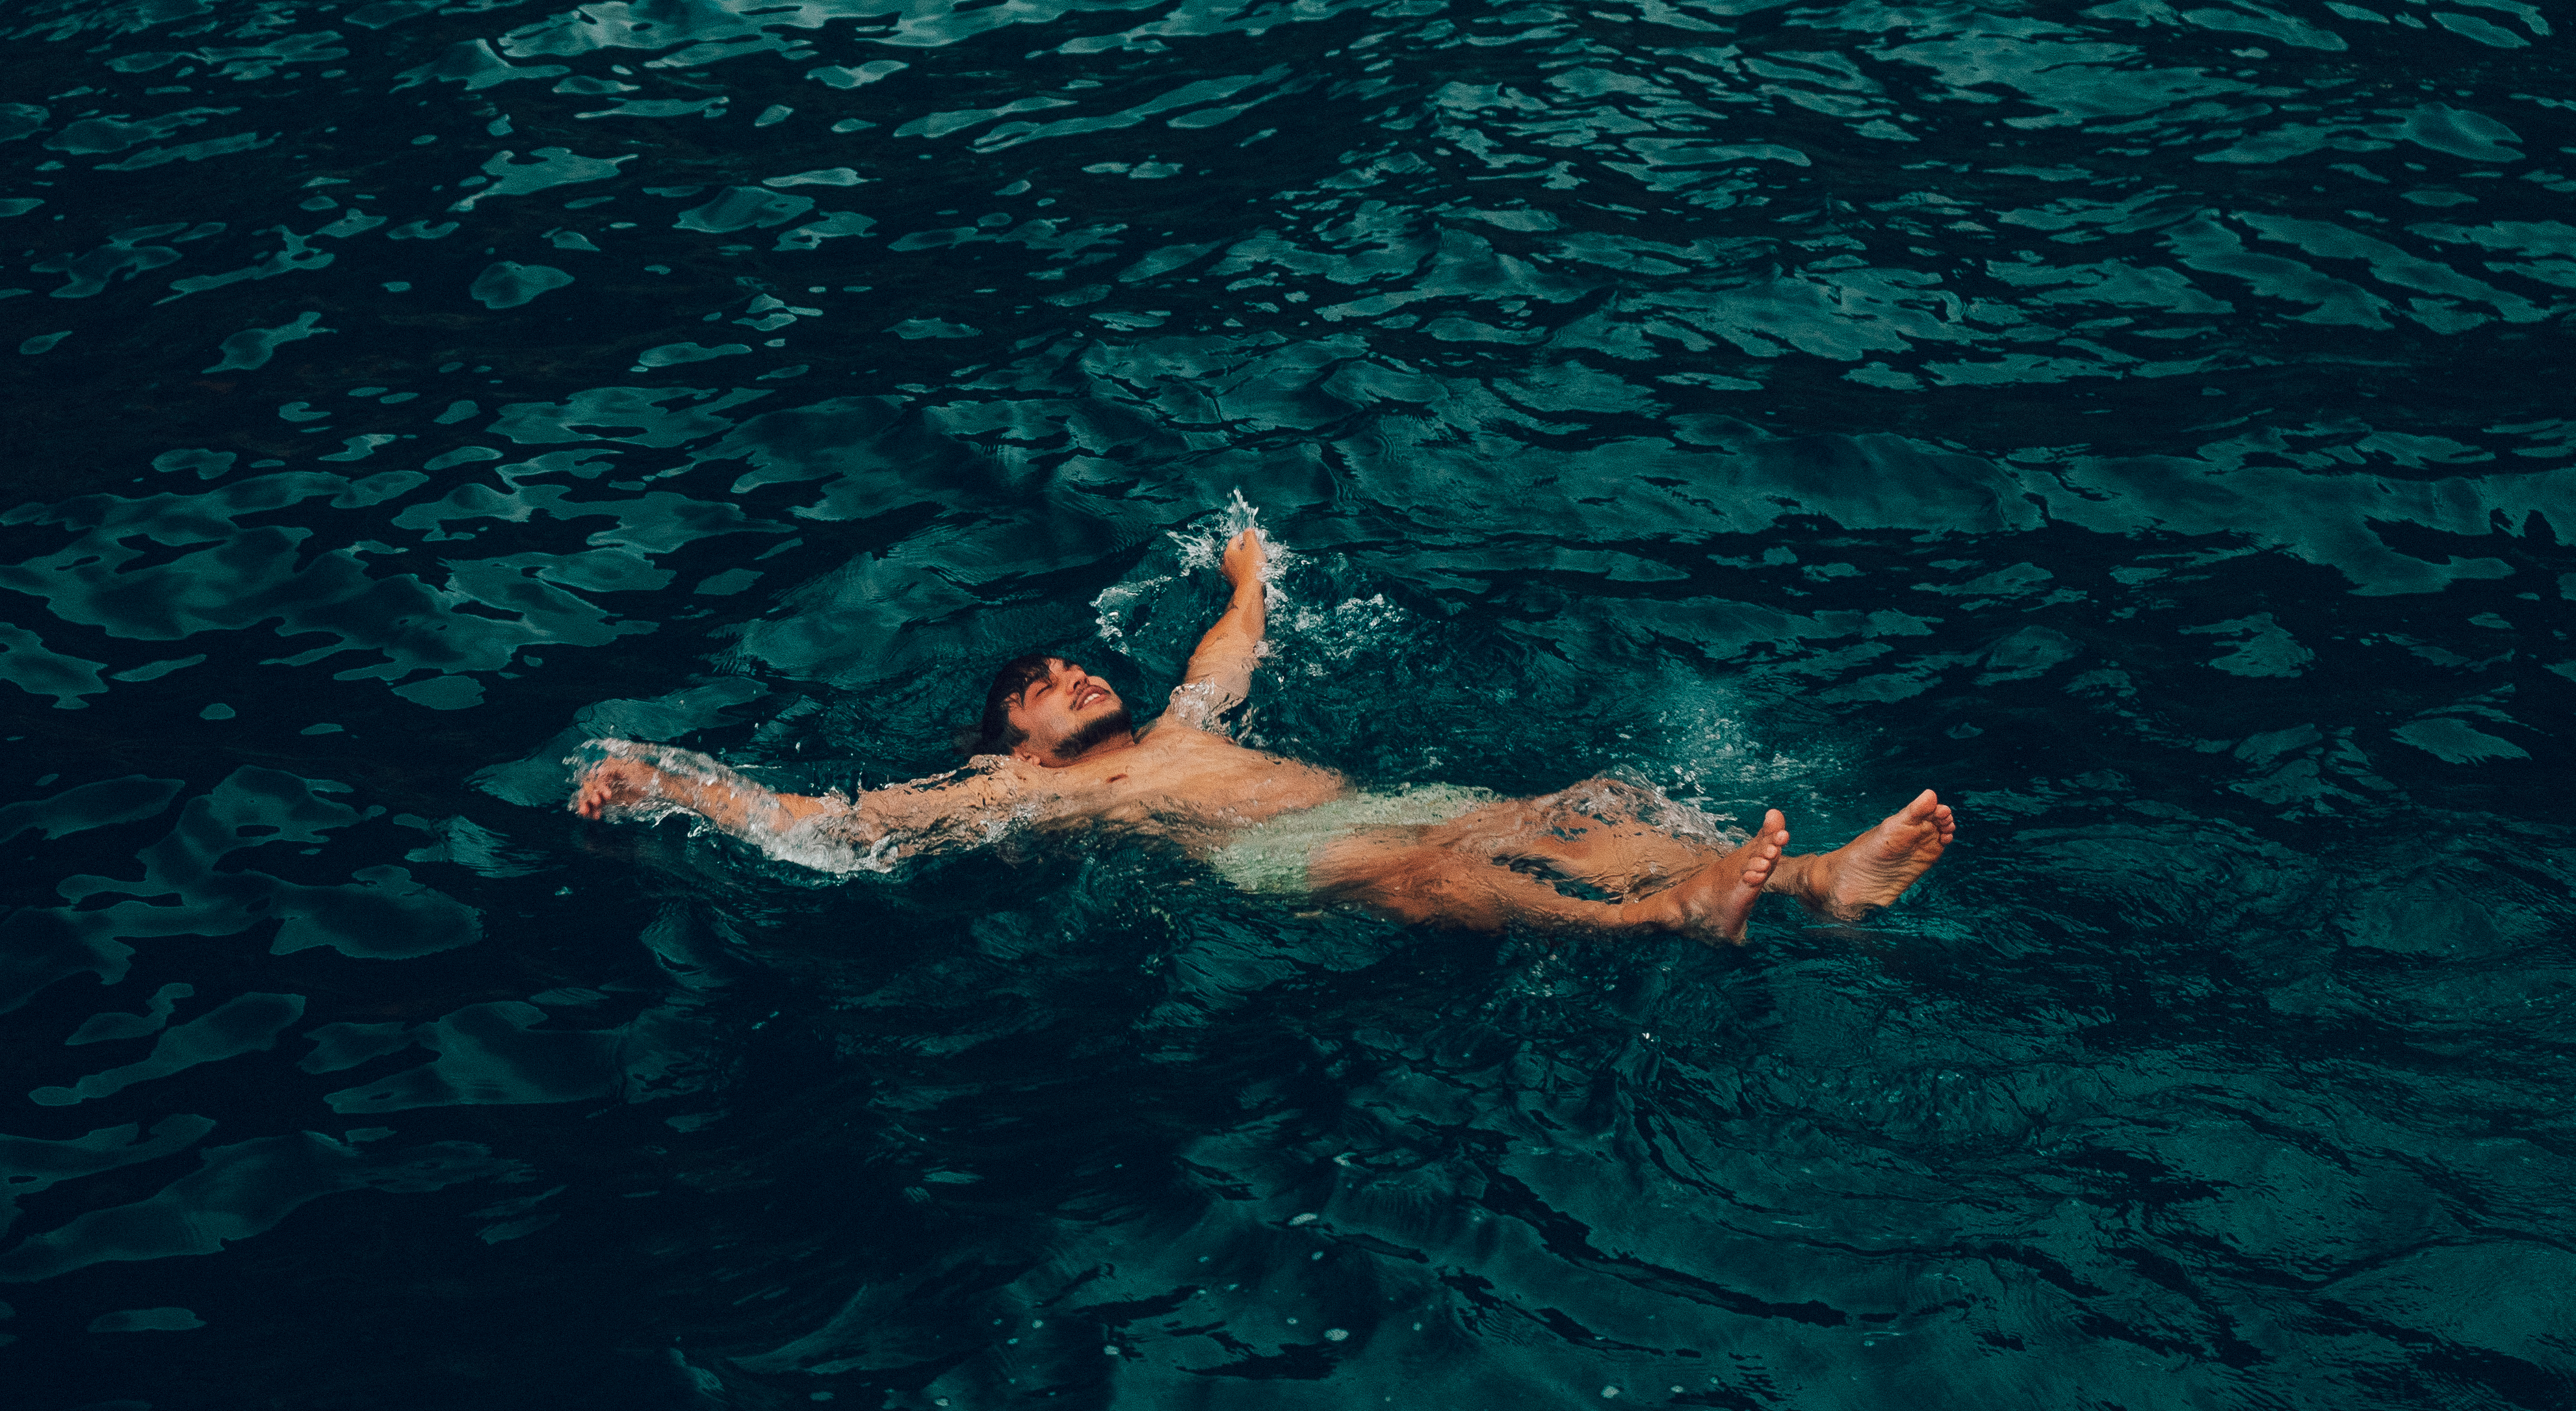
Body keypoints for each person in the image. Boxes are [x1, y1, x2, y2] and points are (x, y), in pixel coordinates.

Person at [571, 527, 1953, 942]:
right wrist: (669, 786)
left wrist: (1243, 573)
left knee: (1573, 807)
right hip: (1278, 861)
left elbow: (1225, 654)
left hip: (1386, 796)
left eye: (1072, 668)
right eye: (1039, 684)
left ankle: (1821, 880)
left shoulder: (1171, 720)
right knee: (1432, 881)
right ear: (1001, 733)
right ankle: (1659, 918)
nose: (1070, 680)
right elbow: (838, 830)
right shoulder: (1021, 795)